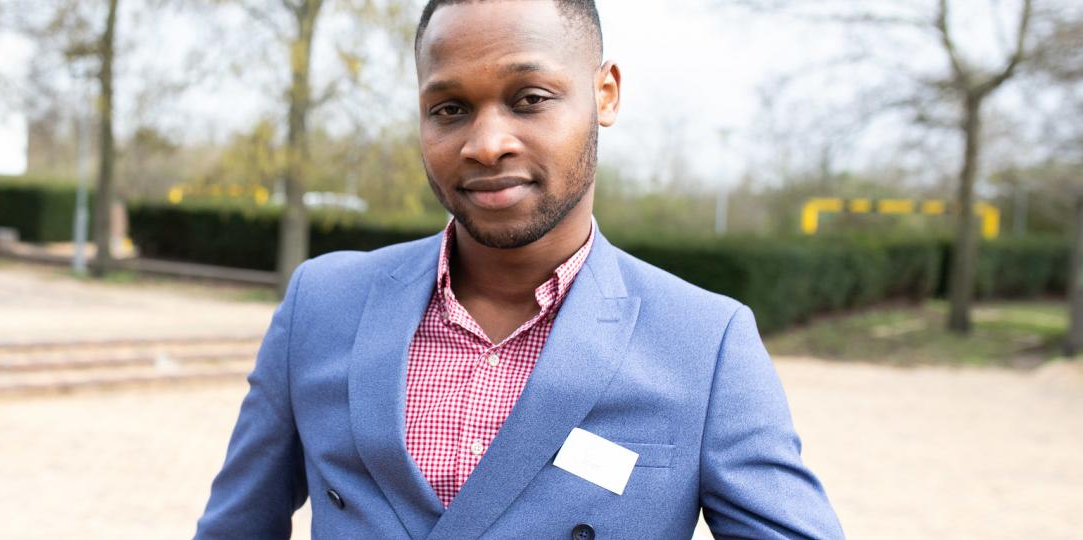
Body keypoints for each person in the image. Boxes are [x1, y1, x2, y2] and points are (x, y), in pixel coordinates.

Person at [196, 1, 844, 538]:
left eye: (528, 98)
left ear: (605, 93)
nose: (486, 143)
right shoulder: (322, 305)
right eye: (449, 108)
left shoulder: (705, 344)